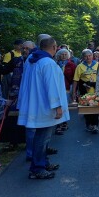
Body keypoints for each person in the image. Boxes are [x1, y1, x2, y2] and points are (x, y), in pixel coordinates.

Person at [17, 36, 70, 179]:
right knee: (43, 137)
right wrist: (58, 106)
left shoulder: (32, 59)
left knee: (42, 137)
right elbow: (52, 86)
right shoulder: (47, 63)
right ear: (54, 47)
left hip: (35, 103)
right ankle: (37, 168)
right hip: (45, 106)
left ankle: (42, 162)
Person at [0, 41, 35, 150]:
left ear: (33, 49)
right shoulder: (16, 60)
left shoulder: (36, 61)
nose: (25, 50)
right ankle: (13, 142)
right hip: (16, 94)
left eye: (27, 48)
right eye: (23, 48)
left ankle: (30, 143)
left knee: (30, 118)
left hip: (30, 94)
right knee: (14, 118)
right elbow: (4, 71)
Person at [73, 49, 99, 133]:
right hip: (85, 90)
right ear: (83, 57)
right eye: (85, 56)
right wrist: (74, 92)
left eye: (89, 55)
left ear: (92, 56)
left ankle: (95, 125)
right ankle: (88, 125)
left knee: (96, 107)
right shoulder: (80, 66)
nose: (88, 58)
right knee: (87, 109)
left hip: (96, 90)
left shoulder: (97, 64)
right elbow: (76, 80)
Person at [54, 48, 76, 134]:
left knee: (64, 106)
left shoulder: (72, 65)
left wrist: (73, 90)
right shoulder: (55, 64)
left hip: (67, 88)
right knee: (57, 105)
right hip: (56, 88)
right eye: (61, 54)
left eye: (65, 54)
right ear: (58, 55)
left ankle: (64, 123)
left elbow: (75, 78)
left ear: (68, 55)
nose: (63, 56)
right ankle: (58, 124)